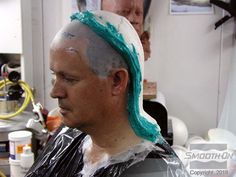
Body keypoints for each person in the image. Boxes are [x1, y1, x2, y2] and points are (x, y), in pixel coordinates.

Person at [25, 11, 189, 177]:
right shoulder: (69, 137)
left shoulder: (152, 171)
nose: (55, 92)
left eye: (69, 78)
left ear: (117, 81)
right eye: (55, 76)